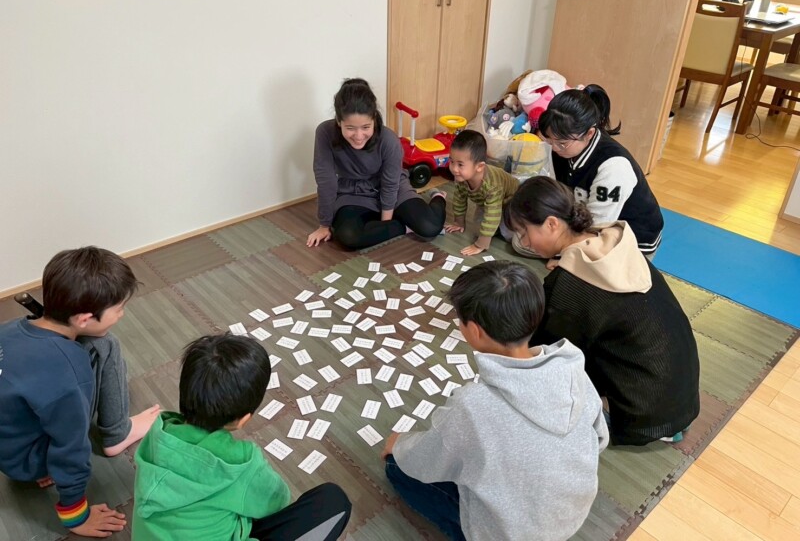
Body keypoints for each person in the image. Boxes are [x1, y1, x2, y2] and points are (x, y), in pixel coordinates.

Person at [382, 261, 608, 541]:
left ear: (475, 331)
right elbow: (600, 439)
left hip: (509, 534)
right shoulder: (573, 368)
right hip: (569, 516)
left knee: (396, 468)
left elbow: (427, 461)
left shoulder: (472, 404)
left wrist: (399, 445)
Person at [507, 176, 700, 445]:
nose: (524, 242)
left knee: (542, 391)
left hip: (644, 414)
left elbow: (548, 350)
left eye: (524, 232)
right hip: (681, 395)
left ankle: (627, 422)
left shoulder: (570, 284)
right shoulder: (611, 241)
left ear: (552, 224)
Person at [0, 247, 161, 537]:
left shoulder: (8, 329)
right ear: (84, 319)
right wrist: (77, 517)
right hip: (27, 463)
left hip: (9, 449)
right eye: (119, 308)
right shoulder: (68, 373)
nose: (122, 314)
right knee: (105, 344)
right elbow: (71, 450)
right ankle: (117, 433)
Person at [133, 333, 352, 541]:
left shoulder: (158, 434)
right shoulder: (241, 464)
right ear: (243, 420)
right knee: (334, 501)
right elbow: (278, 501)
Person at [513, 84, 663, 258]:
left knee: (528, 244)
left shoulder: (613, 167)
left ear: (590, 133)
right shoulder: (563, 146)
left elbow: (598, 228)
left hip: (630, 241)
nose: (554, 148)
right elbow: (560, 198)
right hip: (584, 220)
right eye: (549, 140)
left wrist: (567, 257)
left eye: (562, 143)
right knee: (523, 239)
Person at [307, 78, 446, 250]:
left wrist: (385, 223)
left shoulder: (389, 140)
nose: (359, 136)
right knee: (348, 237)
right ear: (338, 121)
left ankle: (438, 197)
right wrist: (324, 225)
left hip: (393, 189)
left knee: (430, 228)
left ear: (374, 119)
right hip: (352, 193)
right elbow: (326, 181)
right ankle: (404, 226)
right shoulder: (324, 133)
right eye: (350, 128)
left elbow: (390, 183)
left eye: (366, 127)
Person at [444, 130, 519, 255]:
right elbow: (459, 199)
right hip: (487, 202)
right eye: (452, 162)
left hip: (512, 202)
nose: (454, 169)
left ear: (479, 166)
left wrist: (480, 245)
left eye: (460, 165)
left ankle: (505, 225)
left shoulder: (492, 185)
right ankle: (496, 228)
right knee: (478, 231)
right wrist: (459, 222)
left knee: (509, 236)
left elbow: (492, 214)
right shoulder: (461, 177)